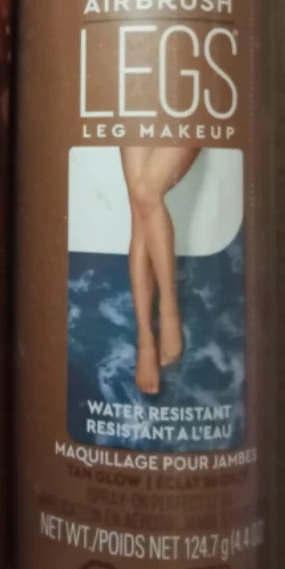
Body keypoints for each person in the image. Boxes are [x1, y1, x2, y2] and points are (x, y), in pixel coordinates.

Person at [120, 146, 201, 394]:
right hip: (135, 118)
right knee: (139, 214)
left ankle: (168, 310)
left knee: (146, 192)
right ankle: (145, 342)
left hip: (181, 118)